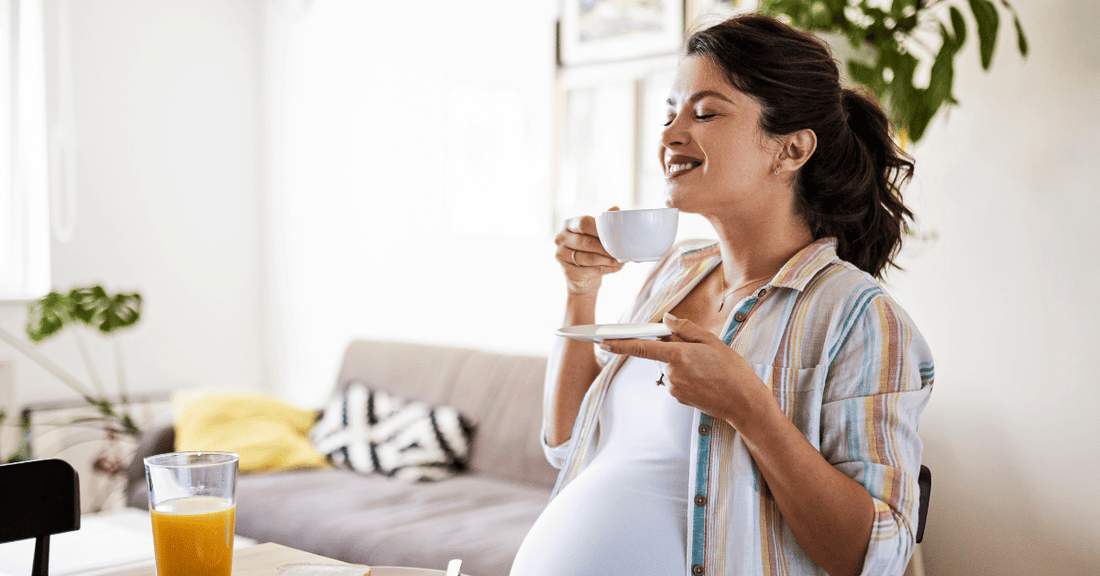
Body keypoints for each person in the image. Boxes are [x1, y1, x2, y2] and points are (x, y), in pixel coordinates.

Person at [508, 13, 934, 576]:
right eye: (670, 113)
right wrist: (580, 292)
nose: (669, 135)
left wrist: (749, 408)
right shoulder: (675, 272)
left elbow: (871, 556)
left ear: (791, 150)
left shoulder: (859, 318)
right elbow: (568, 445)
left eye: (705, 112)